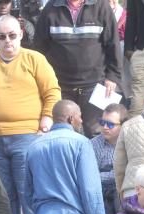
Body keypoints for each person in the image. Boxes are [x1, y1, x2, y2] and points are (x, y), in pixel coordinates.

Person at [0, 15, 61, 214]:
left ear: (21, 35)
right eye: (2, 37)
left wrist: (47, 119)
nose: (7, 41)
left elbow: (52, 91)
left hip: (27, 134)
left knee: (28, 191)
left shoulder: (34, 59)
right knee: (3, 195)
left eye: (12, 36)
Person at [34, 0, 122, 137]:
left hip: (94, 85)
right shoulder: (51, 8)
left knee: (96, 133)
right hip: (61, 86)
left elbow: (113, 44)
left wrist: (112, 76)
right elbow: (39, 49)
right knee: (64, 133)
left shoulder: (101, 6)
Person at [91, 103, 128, 214]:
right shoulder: (94, 144)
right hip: (99, 191)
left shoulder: (128, 143)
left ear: (122, 125)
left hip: (120, 188)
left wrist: (101, 176)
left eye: (111, 124)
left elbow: (126, 172)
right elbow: (89, 176)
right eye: (102, 122)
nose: (105, 127)